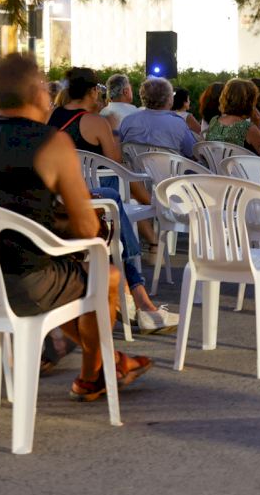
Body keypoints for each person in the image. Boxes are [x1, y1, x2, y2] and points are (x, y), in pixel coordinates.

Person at [0, 53, 152, 400]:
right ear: (36, 93)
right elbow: (87, 229)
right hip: (22, 284)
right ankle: (92, 375)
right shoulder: (51, 142)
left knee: (62, 275)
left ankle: (111, 362)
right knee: (106, 276)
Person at [47, 69, 176, 332]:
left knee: (113, 211)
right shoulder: (95, 122)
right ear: (93, 91)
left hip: (61, 198)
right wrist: (112, 131)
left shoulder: (52, 117)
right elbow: (114, 161)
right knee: (115, 200)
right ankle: (139, 290)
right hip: (94, 198)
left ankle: (135, 297)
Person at [118, 77, 199, 158]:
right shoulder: (179, 124)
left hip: (135, 166)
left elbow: (119, 148)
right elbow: (194, 153)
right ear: (168, 99)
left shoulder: (128, 120)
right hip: (170, 166)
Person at [206, 78, 260, 153]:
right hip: (241, 161)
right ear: (250, 102)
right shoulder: (247, 128)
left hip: (215, 161)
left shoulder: (214, 121)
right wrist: (258, 126)